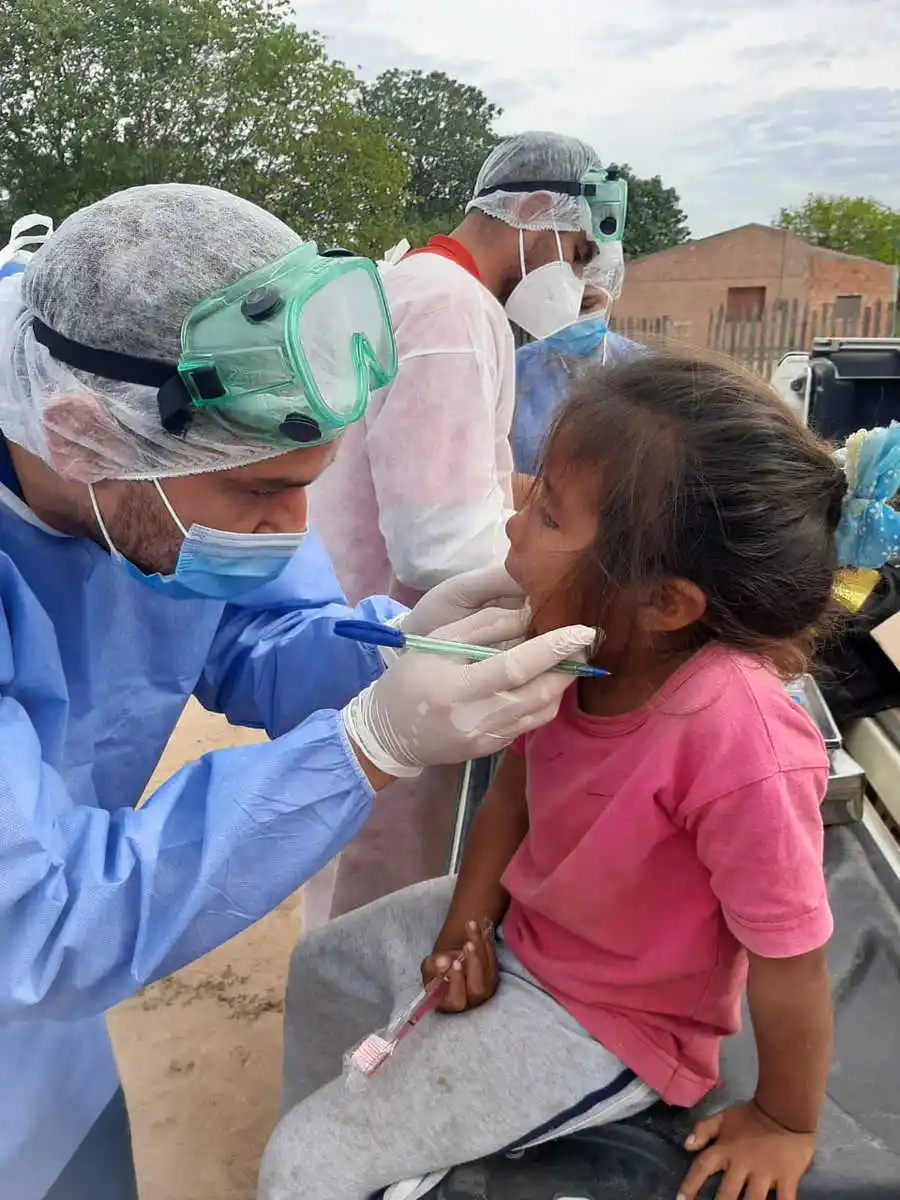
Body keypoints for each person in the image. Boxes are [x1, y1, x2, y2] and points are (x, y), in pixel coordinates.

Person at [0, 184, 595, 1200]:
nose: (291, 529)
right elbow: (37, 916)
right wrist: (365, 744)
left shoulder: (155, 471)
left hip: (49, 1059)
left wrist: (391, 647)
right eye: (260, 494)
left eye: (306, 484)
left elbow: (255, 629)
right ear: (83, 437)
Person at [259, 350, 892, 1200]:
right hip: (528, 934)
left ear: (665, 602)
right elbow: (515, 792)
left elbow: (788, 955)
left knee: (306, 1170)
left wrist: (785, 1119)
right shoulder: (581, 647)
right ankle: (345, 1106)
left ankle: (354, 1158)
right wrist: (467, 924)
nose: (516, 528)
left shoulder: (737, 735)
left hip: (613, 1021)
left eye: (548, 516)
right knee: (327, 963)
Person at [306, 131, 625, 922]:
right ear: (537, 213)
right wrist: (584, 584)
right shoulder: (449, 310)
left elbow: (456, 478)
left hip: (374, 623)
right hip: (399, 642)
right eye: (577, 251)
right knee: (380, 892)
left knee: (358, 869)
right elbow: (438, 541)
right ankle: (362, 1039)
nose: (577, 275)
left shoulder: (427, 291)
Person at [511, 271, 645, 475]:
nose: (571, 317)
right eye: (557, 306)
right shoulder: (518, 368)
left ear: (610, 292)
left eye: (585, 305)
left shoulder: (643, 369)